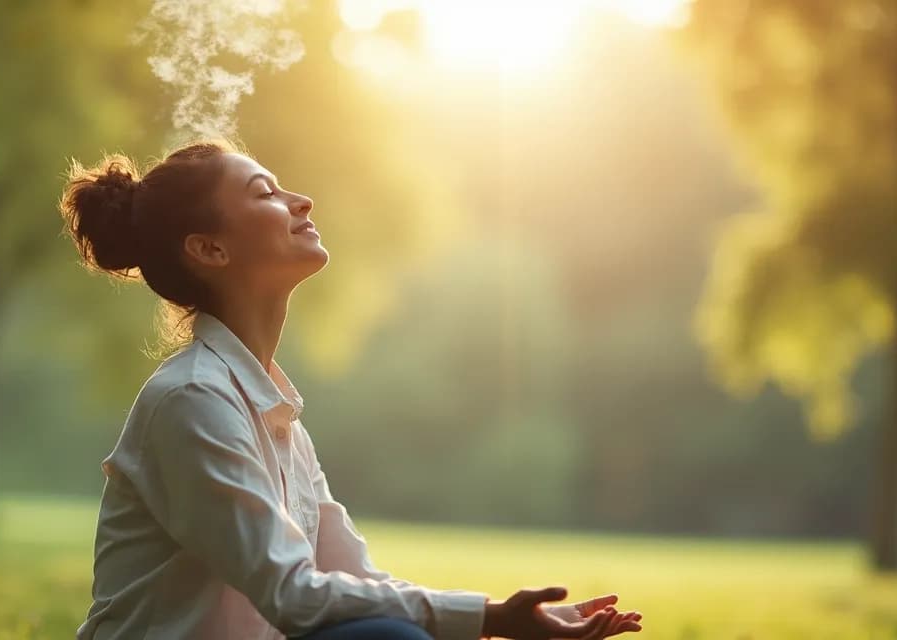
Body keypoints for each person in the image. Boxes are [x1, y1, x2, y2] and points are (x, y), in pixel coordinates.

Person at [59, 139, 644, 640]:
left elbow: (358, 580)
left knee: (390, 628)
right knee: (388, 637)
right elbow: (294, 595)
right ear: (210, 248)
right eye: (265, 193)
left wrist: (506, 616)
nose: (301, 200)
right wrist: (489, 617)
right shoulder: (191, 401)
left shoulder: (272, 413)